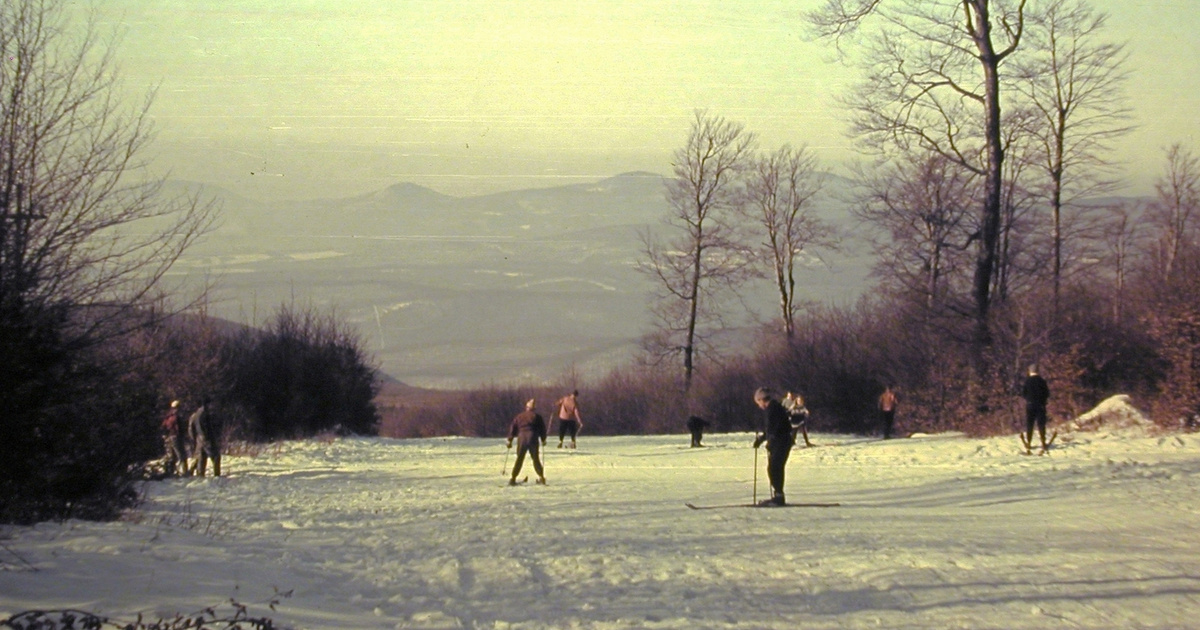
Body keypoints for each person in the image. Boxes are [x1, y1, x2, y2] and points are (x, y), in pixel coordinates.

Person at [752, 387, 794, 506]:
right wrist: (762, 439)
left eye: (758, 402)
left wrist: (770, 440)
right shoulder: (773, 408)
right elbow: (771, 429)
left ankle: (779, 497)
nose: (759, 405)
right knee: (775, 467)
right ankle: (778, 495)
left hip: (782, 441)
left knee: (774, 468)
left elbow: (776, 428)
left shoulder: (773, 409)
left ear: (761, 399)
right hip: (781, 441)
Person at [507, 399, 547, 485]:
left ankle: (513, 478)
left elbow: (513, 428)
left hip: (522, 437)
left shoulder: (519, 416)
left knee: (519, 458)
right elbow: (542, 429)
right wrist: (543, 439)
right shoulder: (537, 417)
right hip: (533, 437)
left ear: (526, 407)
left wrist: (510, 440)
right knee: (535, 458)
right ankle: (541, 477)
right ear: (534, 408)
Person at [187, 397, 223, 477]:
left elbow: (191, 428)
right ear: (208, 404)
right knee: (216, 456)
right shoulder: (205, 414)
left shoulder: (195, 414)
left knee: (202, 457)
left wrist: (194, 438)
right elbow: (206, 427)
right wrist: (209, 437)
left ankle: (200, 475)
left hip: (199, 438)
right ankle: (217, 475)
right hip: (206, 438)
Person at [1021, 364, 1051, 451]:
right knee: (1041, 424)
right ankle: (1043, 442)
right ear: (1038, 371)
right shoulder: (1042, 381)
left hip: (1030, 405)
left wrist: (1029, 399)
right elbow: (1047, 393)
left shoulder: (1027, 381)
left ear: (1030, 371)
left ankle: (1029, 442)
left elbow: (1023, 393)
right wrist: (1043, 400)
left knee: (1029, 424)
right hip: (1040, 405)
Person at [161, 400, 188, 476]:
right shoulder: (176, 417)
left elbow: (163, 427)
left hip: (170, 437)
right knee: (181, 455)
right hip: (176, 437)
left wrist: (165, 435)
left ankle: (170, 472)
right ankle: (184, 472)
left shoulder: (168, 416)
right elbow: (179, 428)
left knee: (172, 456)